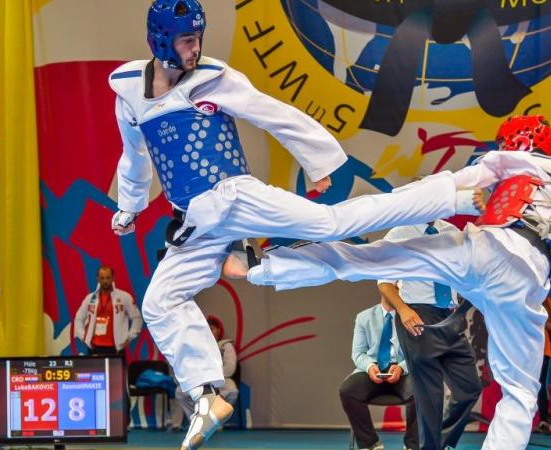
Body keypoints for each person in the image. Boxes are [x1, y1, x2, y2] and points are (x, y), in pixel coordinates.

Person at [239, 115, 551, 449]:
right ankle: (293, 252)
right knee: (517, 393)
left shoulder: (498, 163)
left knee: (372, 254)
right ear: (547, 148)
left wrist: (338, 221)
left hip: (481, 250)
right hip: (526, 277)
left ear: (509, 143)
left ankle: (268, 265)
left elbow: (438, 195)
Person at [108, 2, 468, 448]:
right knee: (160, 302)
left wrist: (318, 161)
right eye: (187, 40)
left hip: (233, 195)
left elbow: (273, 113)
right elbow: (134, 155)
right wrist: (129, 207)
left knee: (331, 223)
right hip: (198, 221)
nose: (196, 47)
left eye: (198, 37)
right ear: (161, 41)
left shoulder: (213, 79)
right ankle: (208, 391)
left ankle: (445, 194)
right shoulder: (130, 92)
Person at [378, 220, 481, 450]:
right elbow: (384, 283)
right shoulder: (400, 232)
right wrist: (403, 310)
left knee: (469, 389)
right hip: (416, 313)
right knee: (430, 395)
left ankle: (438, 443)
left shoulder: (451, 232)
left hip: (450, 317)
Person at [340, 298, 418, 450]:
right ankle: (370, 444)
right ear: (382, 287)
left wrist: (401, 368)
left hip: (404, 371)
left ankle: (413, 445)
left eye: (398, 283)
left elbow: (417, 353)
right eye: (390, 284)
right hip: (372, 370)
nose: (395, 286)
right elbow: (358, 353)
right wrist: (369, 367)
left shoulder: (411, 316)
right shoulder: (364, 317)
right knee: (348, 390)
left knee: (421, 389)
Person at [171, 315, 240, 430]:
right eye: (206, 328)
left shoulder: (225, 346)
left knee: (232, 390)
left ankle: (216, 420)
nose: (209, 331)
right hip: (201, 381)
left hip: (220, 380)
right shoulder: (196, 346)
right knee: (180, 391)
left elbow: (230, 369)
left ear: (218, 330)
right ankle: (196, 421)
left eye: (212, 328)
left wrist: (212, 378)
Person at [74, 266, 143, 355]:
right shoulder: (90, 298)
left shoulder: (124, 297)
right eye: (102, 278)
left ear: (113, 278)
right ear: (97, 279)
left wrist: (129, 337)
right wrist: (83, 337)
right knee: (95, 369)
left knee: (118, 369)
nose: (105, 281)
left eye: (108, 278)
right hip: (94, 346)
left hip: (116, 347)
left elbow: (137, 318)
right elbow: (78, 318)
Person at [536, 297, 551, 435]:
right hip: (522, 350)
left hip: (543, 350)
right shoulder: (519, 292)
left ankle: (543, 421)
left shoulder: (547, 300)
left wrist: (542, 312)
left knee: (541, 385)